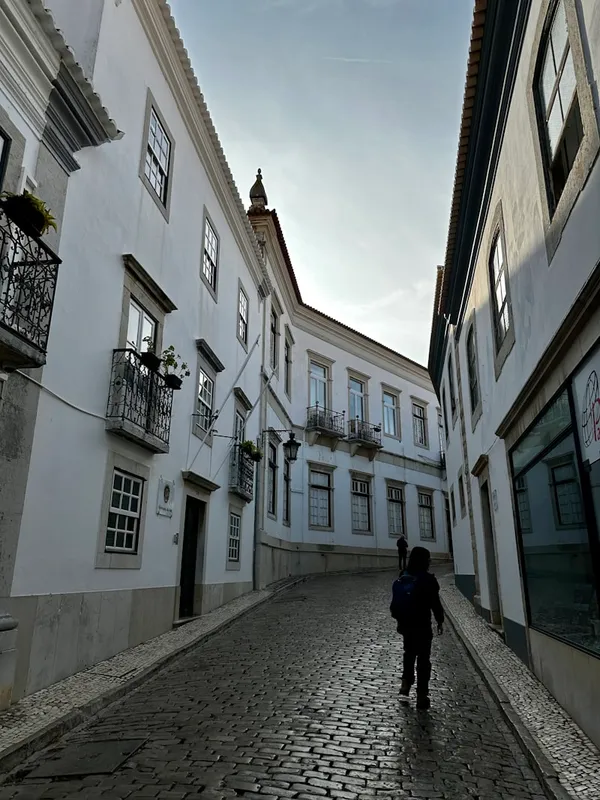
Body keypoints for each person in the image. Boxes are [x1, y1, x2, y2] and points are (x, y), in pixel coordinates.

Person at [390, 546, 444, 710]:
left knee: (409, 652)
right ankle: (422, 694)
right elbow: (435, 603)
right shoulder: (428, 579)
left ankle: (406, 684)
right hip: (422, 624)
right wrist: (440, 620)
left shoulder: (404, 575)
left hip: (406, 623)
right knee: (423, 659)